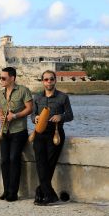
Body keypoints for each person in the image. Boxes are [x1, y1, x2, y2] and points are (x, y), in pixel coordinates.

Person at [32, 70, 73, 206]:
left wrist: (61, 117)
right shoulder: (37, 97)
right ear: (42, 81)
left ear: (55, 80)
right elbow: (32, 115)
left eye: (51, 79)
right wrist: (35, 118)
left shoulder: (63, 97)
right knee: (40, 164)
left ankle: (41, 192)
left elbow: (70, 115)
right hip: (39, 132)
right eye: (46, 79)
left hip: (55, 133)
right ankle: (49, 194)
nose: (48, 82)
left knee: (49, 164)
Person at [0, 67, 33, 202]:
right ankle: (6, 191)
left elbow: (30, 109)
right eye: (0, 78)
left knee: (14, 159)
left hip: (19, 131)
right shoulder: (0, 94)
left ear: (12, 78)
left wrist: (15, 115)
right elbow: (0, 110)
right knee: (4, 161)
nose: (1, 80)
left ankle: (13, 192)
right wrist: (0, 116)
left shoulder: (23, 90)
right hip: (5, 131)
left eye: (3, 78)